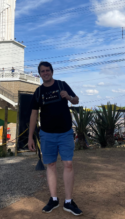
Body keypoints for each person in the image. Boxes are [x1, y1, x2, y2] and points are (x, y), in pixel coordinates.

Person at [28, 61, 82, 216]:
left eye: (48, 70)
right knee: (50, 165)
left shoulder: (61, 84)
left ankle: (68, 202)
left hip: (65, 132)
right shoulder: (38, 92)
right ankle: (53, 199)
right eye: (42, 71)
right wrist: (30, 137)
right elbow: (33, 114)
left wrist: (70, 97)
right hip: (46, 134)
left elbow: (77, 100)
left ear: (52, 71)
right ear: (40, 74)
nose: (46, 73)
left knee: (68, 164)